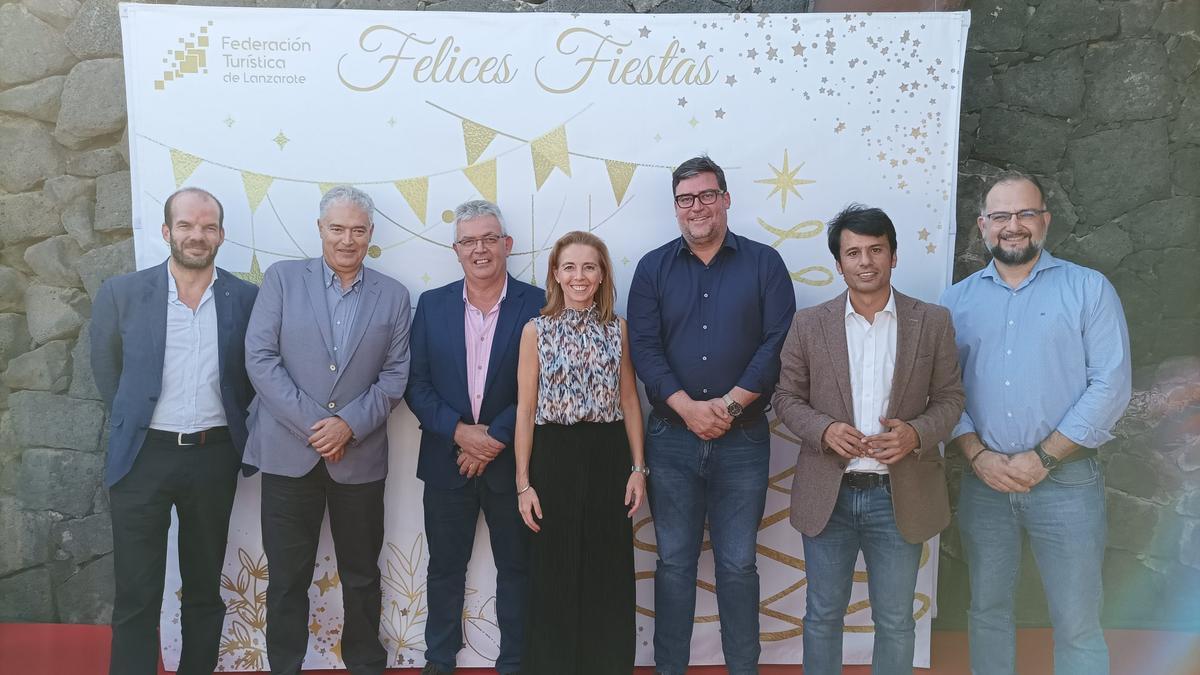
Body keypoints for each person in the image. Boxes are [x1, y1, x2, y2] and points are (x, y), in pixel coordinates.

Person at [940, 170, 1131, 675]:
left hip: (1066, 481)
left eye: (1026, 213)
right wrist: (977, 454)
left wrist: (1043, 456)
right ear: (983, 225)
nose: (1014, 226)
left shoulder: (1088, 289)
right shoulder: (954, 303)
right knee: (987, 612)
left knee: (1076, 620)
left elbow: (1110, 385)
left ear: (1044, 221)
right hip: (986, 483)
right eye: (1001, 216)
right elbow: (942, 392)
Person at [772, 205, 965, 674]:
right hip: (830, 495)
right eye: (853, 252)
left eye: (876, 249)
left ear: (893, 256)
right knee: (822, 617)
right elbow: (785, 397)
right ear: (838, 264)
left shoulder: (932, 322)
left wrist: (917, 434)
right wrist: (824, 429)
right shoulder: (809, 324)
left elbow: (951, 398)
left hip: (898, 495)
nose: (865, 261)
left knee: (896, 620)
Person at [627, 155, 796, 675]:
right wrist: (686, 408)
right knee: (674, 563)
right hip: (671, 440)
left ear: (725, 198)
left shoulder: (765, 263)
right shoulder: (652, 268)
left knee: (738, 565)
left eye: (705, 195)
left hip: (742, 439)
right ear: (675, 208)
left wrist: (725, 406)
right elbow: (645, 349)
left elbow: (777, 343)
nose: (696, 207)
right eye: (685, 199)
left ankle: (743, 668)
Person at [243, 185, 412, 675]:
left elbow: (396, 375)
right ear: (320, 229)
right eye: (337, 228)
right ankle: (284, 666)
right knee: (287, 579)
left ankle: (364, 664)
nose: (347, 239)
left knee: (361, 576)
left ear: (371, 235)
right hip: (287, 455)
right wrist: (317, 427)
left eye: (357, 230)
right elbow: (260, 357)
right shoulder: (281, 280)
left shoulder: (394, 295)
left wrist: (348, 426)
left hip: (358, 459)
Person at [91, 187, 258, 675]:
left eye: (208, 227)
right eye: (185, 225)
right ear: (167, 232)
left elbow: (252, 375)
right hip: (143, 457)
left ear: (221, 235)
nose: (196, 235)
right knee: (137, 592)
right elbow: (109, 371)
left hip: (213, 455)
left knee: (205, 588)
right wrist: (137, 421)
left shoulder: (245, 298)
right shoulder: (121, 293)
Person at [405, 200, 544, 675]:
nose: (480, 249)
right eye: (469, 241)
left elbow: (543, 384)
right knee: (444, 570)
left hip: (515, 466)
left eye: (489, 239)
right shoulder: (432, 304)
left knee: (518, 571)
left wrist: (495, 438)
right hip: (447, 462)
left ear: (507, 245)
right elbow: (415, 384)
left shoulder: (540, 303)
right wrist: (461, 433)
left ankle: (517, 664)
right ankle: (438, 662)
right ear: (456, 249)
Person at [513, 230, 647, 675]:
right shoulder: (536, 330)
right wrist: (523, 483)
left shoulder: (618, 328)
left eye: (589, 266)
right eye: (569, 266)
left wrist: (637, 468)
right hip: (553, 455)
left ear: (603, 272)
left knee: (606, 571)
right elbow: (526, 409)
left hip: (608, 454)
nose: (579, 276)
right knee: (554, 572)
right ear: (555, 273)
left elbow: (630, 400)